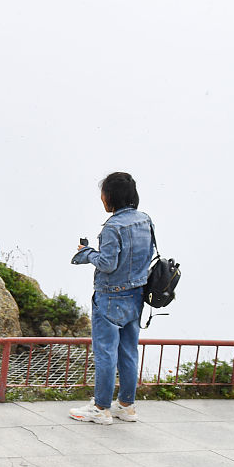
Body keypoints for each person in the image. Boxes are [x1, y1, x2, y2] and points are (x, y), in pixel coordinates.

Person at [69, 172, 154, 424]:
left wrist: (87, 254)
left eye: (103, 194)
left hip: (110, 298)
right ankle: (126, 406)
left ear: (111, 197)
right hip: (136, 295)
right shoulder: (145, 220)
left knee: (106, 354)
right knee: (128, 352)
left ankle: (101, 408)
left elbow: (107, 264)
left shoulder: (112, 227)